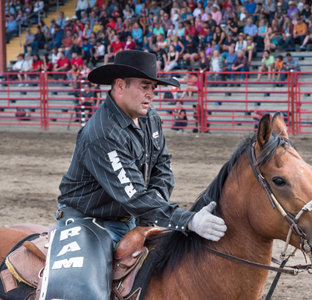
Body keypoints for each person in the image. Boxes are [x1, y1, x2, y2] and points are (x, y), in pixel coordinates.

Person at [40, 50, 227, 299]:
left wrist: (156, 205)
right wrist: (189, 221)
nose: (151, 93)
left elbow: (162, 166)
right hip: (86, 221)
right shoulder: (102, 133)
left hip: (129, 217)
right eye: (144, 86)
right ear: (120, 85)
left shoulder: (150, 119)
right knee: (85, 292)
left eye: (153, 87)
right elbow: (135, 197)